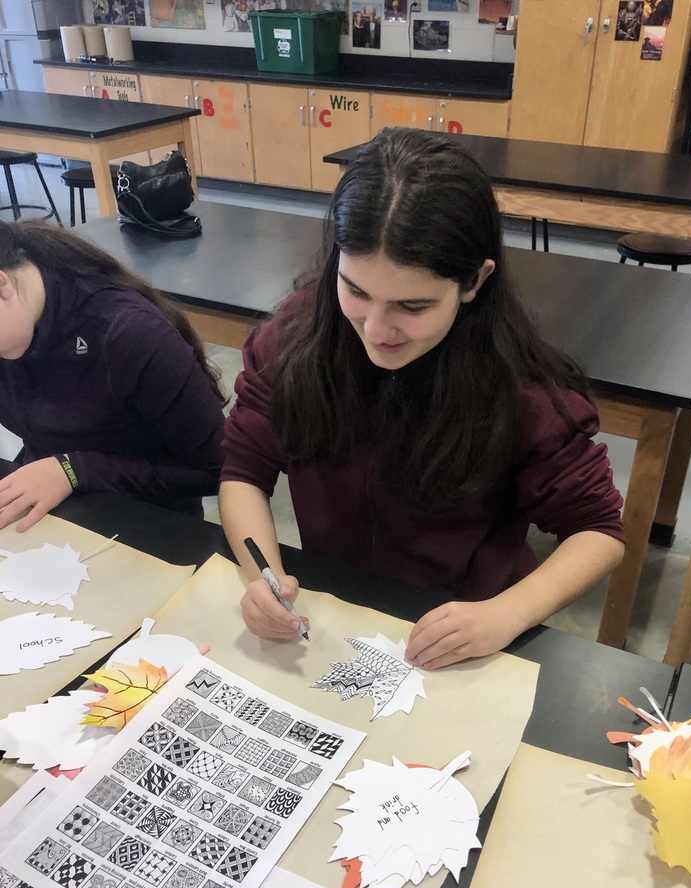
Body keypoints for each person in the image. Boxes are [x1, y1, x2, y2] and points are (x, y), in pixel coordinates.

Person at [220, 128, 625, 670]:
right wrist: (261, 578)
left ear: (474, 281)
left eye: (413, 306)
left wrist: (507, 614)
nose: (377, 328)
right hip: (334, 612)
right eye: (356, 291)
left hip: (462, 628)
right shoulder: (296, 339)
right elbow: (244, 470)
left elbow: (598, 531)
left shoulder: (520, 389)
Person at [0, 219, 226, 532]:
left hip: (147, 526)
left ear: (3, 285)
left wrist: (75, 470)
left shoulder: (128, 332)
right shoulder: (14, 326)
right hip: (51, 516)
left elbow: (217, 469)